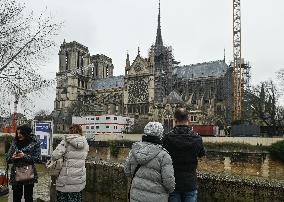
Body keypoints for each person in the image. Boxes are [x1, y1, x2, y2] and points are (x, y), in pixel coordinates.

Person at [124, 122, 175, 202]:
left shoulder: (134, 150)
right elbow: (169, 184)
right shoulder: (164, 155)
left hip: (136, 197)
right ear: (160, 135)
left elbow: (127, 172)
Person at [163, 108, 205, 202]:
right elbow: (202, 154)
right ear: (188, 120)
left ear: (175, 120)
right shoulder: (197, 138)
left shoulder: (167, 138)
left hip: (173, 182)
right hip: (190, 183)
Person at [51, 124, 89, 202]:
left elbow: (54, 156)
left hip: (66, 179)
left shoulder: (66, 140)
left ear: (70, 131)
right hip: (79, 179)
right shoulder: (85, 142)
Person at [6, 124, 41, 202]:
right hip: (15, 173)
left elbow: (38, 159)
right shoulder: (15, 142)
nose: (18, 135)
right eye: (17, 133)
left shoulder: (35, 143)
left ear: (26, 133)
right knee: (16, 197)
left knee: (28, 196)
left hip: (29, 172)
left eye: (21, 133)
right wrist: (12, 157)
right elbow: (7, 158)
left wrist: (24, 156)